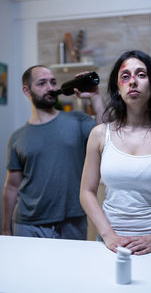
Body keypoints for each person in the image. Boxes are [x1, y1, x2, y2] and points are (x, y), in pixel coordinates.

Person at [80, 50, 151, 255]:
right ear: (118, 88)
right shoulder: (99, 134)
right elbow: (86, 192)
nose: (132, 81)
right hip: (111, 244)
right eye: (125, 76)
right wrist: (108, 235)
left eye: (141, 75)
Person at [2, 65, 105, 239]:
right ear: (27, 91)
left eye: (53, 82)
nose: (50, 88)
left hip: (72, 221)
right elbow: (12, 186)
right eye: (42, 83)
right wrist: (5, 228)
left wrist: (96, 97)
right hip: (28, 224)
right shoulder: (17, 138)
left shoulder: (77, 120)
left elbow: (106, 135)